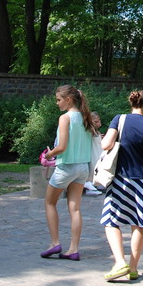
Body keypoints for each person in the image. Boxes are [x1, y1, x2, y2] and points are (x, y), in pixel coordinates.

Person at [101, 89, 143, 281]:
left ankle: (120, 262)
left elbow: (106, 145)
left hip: (120, 179)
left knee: (111, 221)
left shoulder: (119, 119)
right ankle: (133, 268)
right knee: (138, 224)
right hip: (142, 180)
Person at [40, 85, 94, 261]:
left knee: (49, 202)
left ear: (68, 99)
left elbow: (62, 147)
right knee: (75, 208)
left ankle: (55, 242)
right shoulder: (86, 117)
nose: (57, 103)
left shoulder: (65, 118)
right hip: (82, 168)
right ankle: (73, 249)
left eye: (58, 100)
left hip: (66, 167)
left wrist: (48, 154)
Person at [84, 111, 104, 195]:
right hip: (93, 153)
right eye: (96, 122)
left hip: (97, 153)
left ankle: (95, 183)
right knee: (93, 167)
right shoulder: (89, 130)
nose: (99, 124)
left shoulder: (95, 131)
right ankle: (90, 185)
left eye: (99, 121)